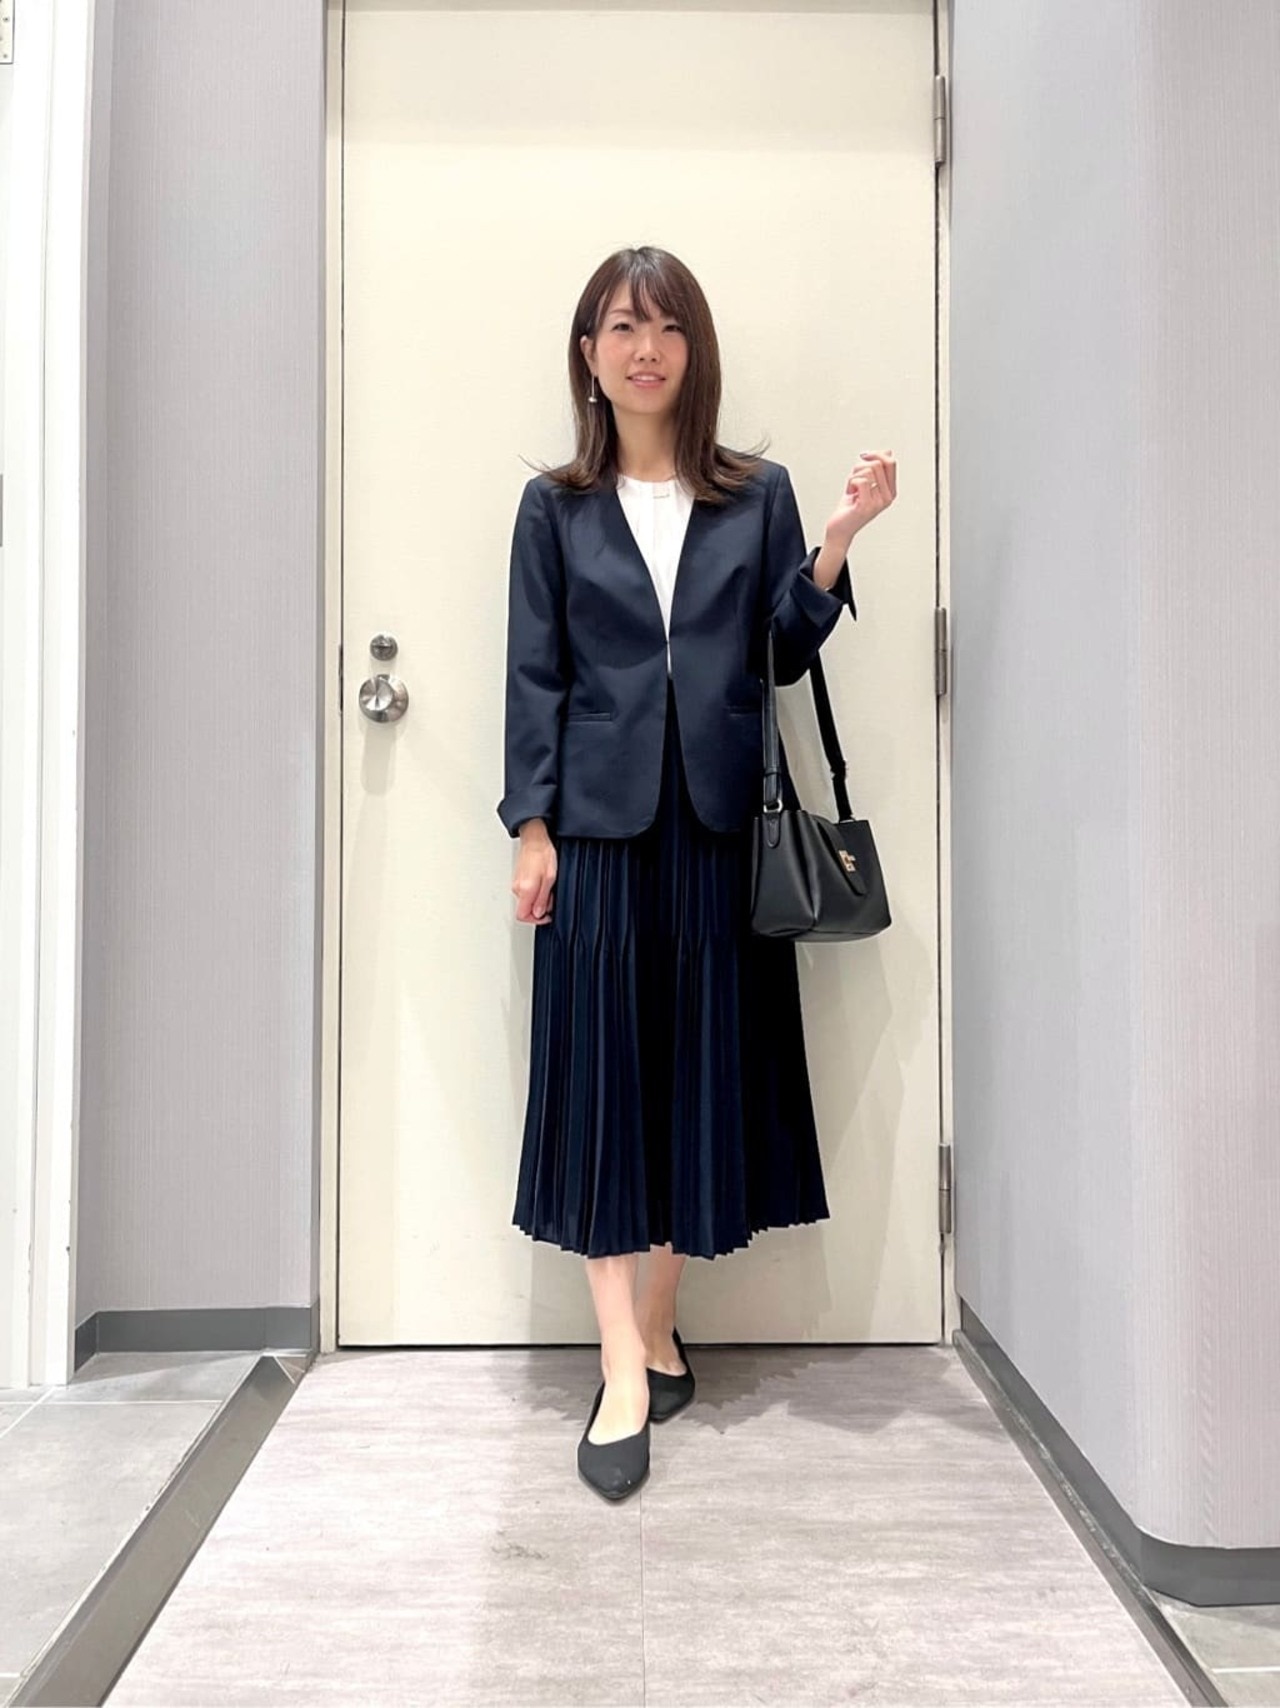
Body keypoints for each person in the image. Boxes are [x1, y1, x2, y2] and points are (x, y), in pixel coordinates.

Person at [497, 245, 897, 1502]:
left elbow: (777, 654)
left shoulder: (755, 495)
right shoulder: (553, 509)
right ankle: (621, 1361)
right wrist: (529, 826)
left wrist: (833, 543)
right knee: (601, 1082)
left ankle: (660, 1316)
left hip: (724, 829)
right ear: (589, 352)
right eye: (622, 326)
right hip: (600, 832)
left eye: (666, 327)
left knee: (696, 1080)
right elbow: (533, 675)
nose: (645, 348)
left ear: (694, 350)